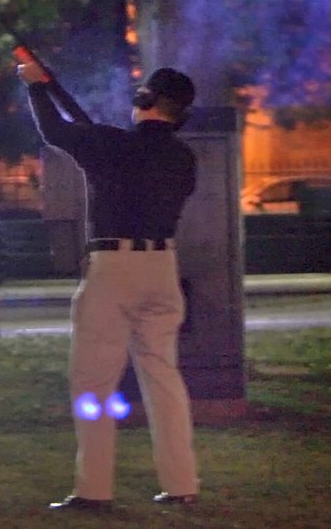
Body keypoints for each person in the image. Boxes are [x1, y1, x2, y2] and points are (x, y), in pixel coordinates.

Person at [17, 61, 200, 511]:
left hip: (115, 268)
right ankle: (181, 483)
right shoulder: (183, 159)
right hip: (162, 267)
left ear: (145, 101)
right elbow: (112, 149)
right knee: (163, 379)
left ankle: (93, 488)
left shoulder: (111, 145)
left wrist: (37, 88)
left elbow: (54, 132)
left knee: (93, 382)